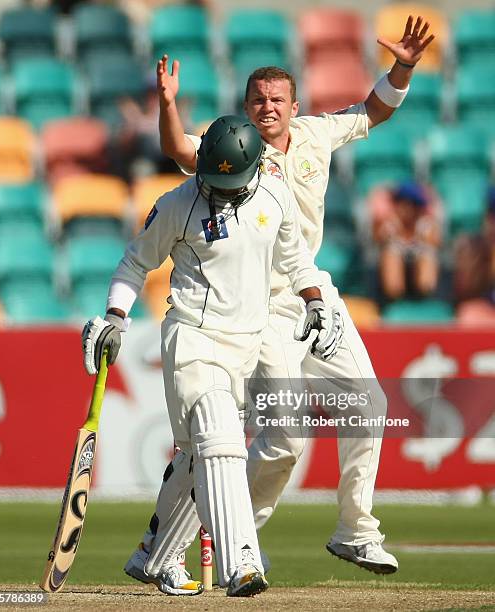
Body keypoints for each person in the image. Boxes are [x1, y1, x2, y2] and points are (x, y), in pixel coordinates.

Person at [124, 15, 435, 580]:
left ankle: (355, 531)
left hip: (312, 291)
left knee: (370, 406)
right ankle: (238, 540)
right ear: (246, 107)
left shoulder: (316, 133)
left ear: (294, 105)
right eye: (259, 99)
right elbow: (178, 151)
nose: (268, 107)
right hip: (255, 307)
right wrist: (168, 105)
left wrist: (404, 66)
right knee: (284, 436)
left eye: (278, 98)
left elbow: (374, 110)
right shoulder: (232, 151)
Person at [83, 115, 339, 596]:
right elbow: (135, 262)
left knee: (201, 458)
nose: (219, 192)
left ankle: (154, 556)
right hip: (193, 340)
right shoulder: (179, 203)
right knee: (222, 440)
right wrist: (115, 315)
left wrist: (314, 299)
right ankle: (241, 560)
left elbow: (295, 258)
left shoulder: (275, 194)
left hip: (246, 344)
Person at [372, 181, 442, 301]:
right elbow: (377, 238)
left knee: (428, 254)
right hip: (394, 279)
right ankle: (393, 299)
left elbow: (436, 242)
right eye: (404, 203)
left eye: (412, 205)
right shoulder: (388, 224)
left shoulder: (426, 224)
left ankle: (424, 296)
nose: (408, 209)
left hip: (417, 272)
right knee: (390, 255)